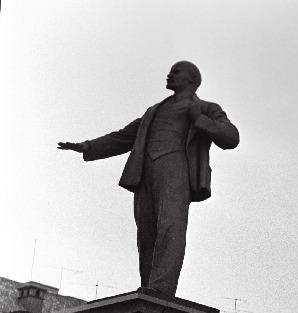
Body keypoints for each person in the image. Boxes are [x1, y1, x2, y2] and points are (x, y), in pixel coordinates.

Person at [57, 61, 239, 298]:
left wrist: (199, 120)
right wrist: (89, 147)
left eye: (176, 72)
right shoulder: (154, 111)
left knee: (170, 227)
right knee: (146, 233)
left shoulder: (206, 108)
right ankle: (148, 289)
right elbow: (123, 137)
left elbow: (231, 137)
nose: (169, 74)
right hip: (145, 171)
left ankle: (161, 288)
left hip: (176, 168)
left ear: (192, 80)